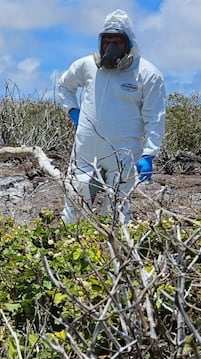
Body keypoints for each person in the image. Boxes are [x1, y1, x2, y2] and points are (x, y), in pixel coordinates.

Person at [56, 9, 166, 224]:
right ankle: (69, 250)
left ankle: (116, 255)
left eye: (117, 41)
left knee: (116, 212)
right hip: (86, 152)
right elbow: (64, 85)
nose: (111, 47)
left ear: (129, 43)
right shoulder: (87, 66)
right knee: (74, 208)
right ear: (100, 42)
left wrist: (149, 154)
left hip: (123, 154)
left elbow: (155, 116)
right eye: (107, 41)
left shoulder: (147, 74)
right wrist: (72, 110)